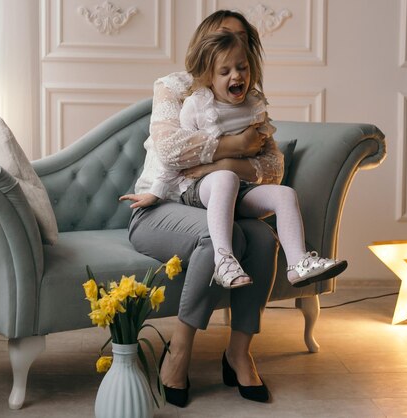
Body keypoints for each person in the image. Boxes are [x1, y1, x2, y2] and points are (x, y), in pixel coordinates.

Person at [119, 10, 278, 406]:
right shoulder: (174, 88)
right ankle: (180, 350)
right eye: (223, 38)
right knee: (214, 237)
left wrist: (219, 163)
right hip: (159, 205)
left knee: (260, 236)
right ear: (205, 44)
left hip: (216, 201)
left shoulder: (248, 100)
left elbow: (273, 169)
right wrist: (239, 148)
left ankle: (238, 353)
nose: (232, 51)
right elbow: (171, 149)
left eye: (242, 43)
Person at [174, 30, 348, 290]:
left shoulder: (254, 105)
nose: (236, 76)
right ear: (209, 77)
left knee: (285, 194)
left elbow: (266, 157)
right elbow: (178, 155)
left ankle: (298, 264)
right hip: (199, 190)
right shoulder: (197, 106)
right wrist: (156, 191)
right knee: (225, 177)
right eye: (225, 72)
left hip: (238, 188)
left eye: (242, 67)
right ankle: (223, 261)